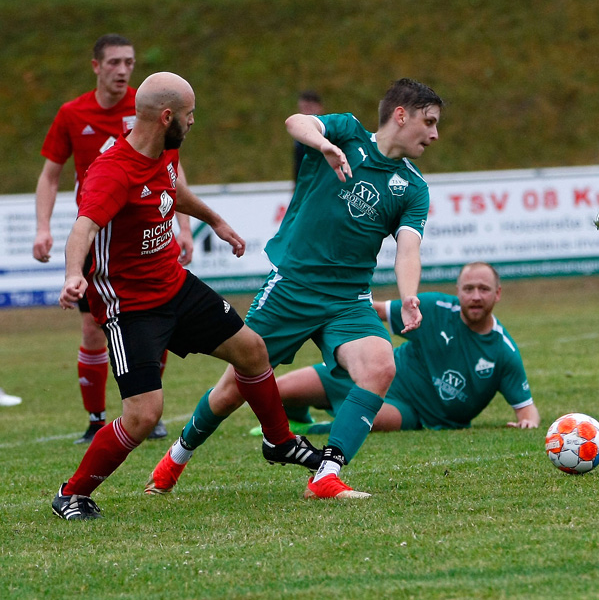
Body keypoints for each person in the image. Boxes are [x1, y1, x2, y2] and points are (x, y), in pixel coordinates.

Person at [146, 78, 444, 501]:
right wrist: (321, 144)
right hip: (293, 288)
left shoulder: (413, 187)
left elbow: (408, 250)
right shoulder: (346, 132)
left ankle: (325, 474)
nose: (434, 134)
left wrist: (409, 293)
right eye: (429, 122)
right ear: (402, 115)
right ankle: (176, 456)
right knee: (234, 388)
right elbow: (297, 122)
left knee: (380, 367)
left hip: (349, 301)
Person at [51, 72, 320, 520]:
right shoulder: (112, 171)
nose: (194, 122)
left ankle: (280, 442)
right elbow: (84, 227)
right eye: (190, 114)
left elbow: (171, 191)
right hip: (130, 307)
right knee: (142, 415)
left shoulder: (165, 147)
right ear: (167, 116)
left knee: (253, 350)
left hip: (175, 284)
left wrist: (214, 220)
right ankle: (72, 494)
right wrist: (72, 274)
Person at [34, 34, 191, 445]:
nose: (123, 70)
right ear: (96, 67)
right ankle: (96, 418)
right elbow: (50, 175)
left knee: (155, 323)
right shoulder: (72, 114)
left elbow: (172, 167)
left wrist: (185, 227)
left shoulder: (151, 103)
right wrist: (43, 227)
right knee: (91, 329)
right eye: (115, 62)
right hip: (98, 232)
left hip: (142, 232)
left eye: (130, 62)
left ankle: (147, 412)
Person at [251, 262, 540, 435]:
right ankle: (300, 416)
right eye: (468, 289)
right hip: (373, 373)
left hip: (411, 410)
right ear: (458, 291)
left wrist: (527, 424)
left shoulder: (503, 351)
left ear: (498, 294)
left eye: (484, 289)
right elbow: (375, 310)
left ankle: (308, 431)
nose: (475, 296)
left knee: (365, 420)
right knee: (275, 389)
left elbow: (527, 411)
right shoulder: (434, 308)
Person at [292, 90, 324, 183]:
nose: (306, 112)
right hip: (303, 181)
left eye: (309, 108)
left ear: (319, 108)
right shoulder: (298, 131)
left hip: (319, 181)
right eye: (304, 108)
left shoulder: (326, 131)